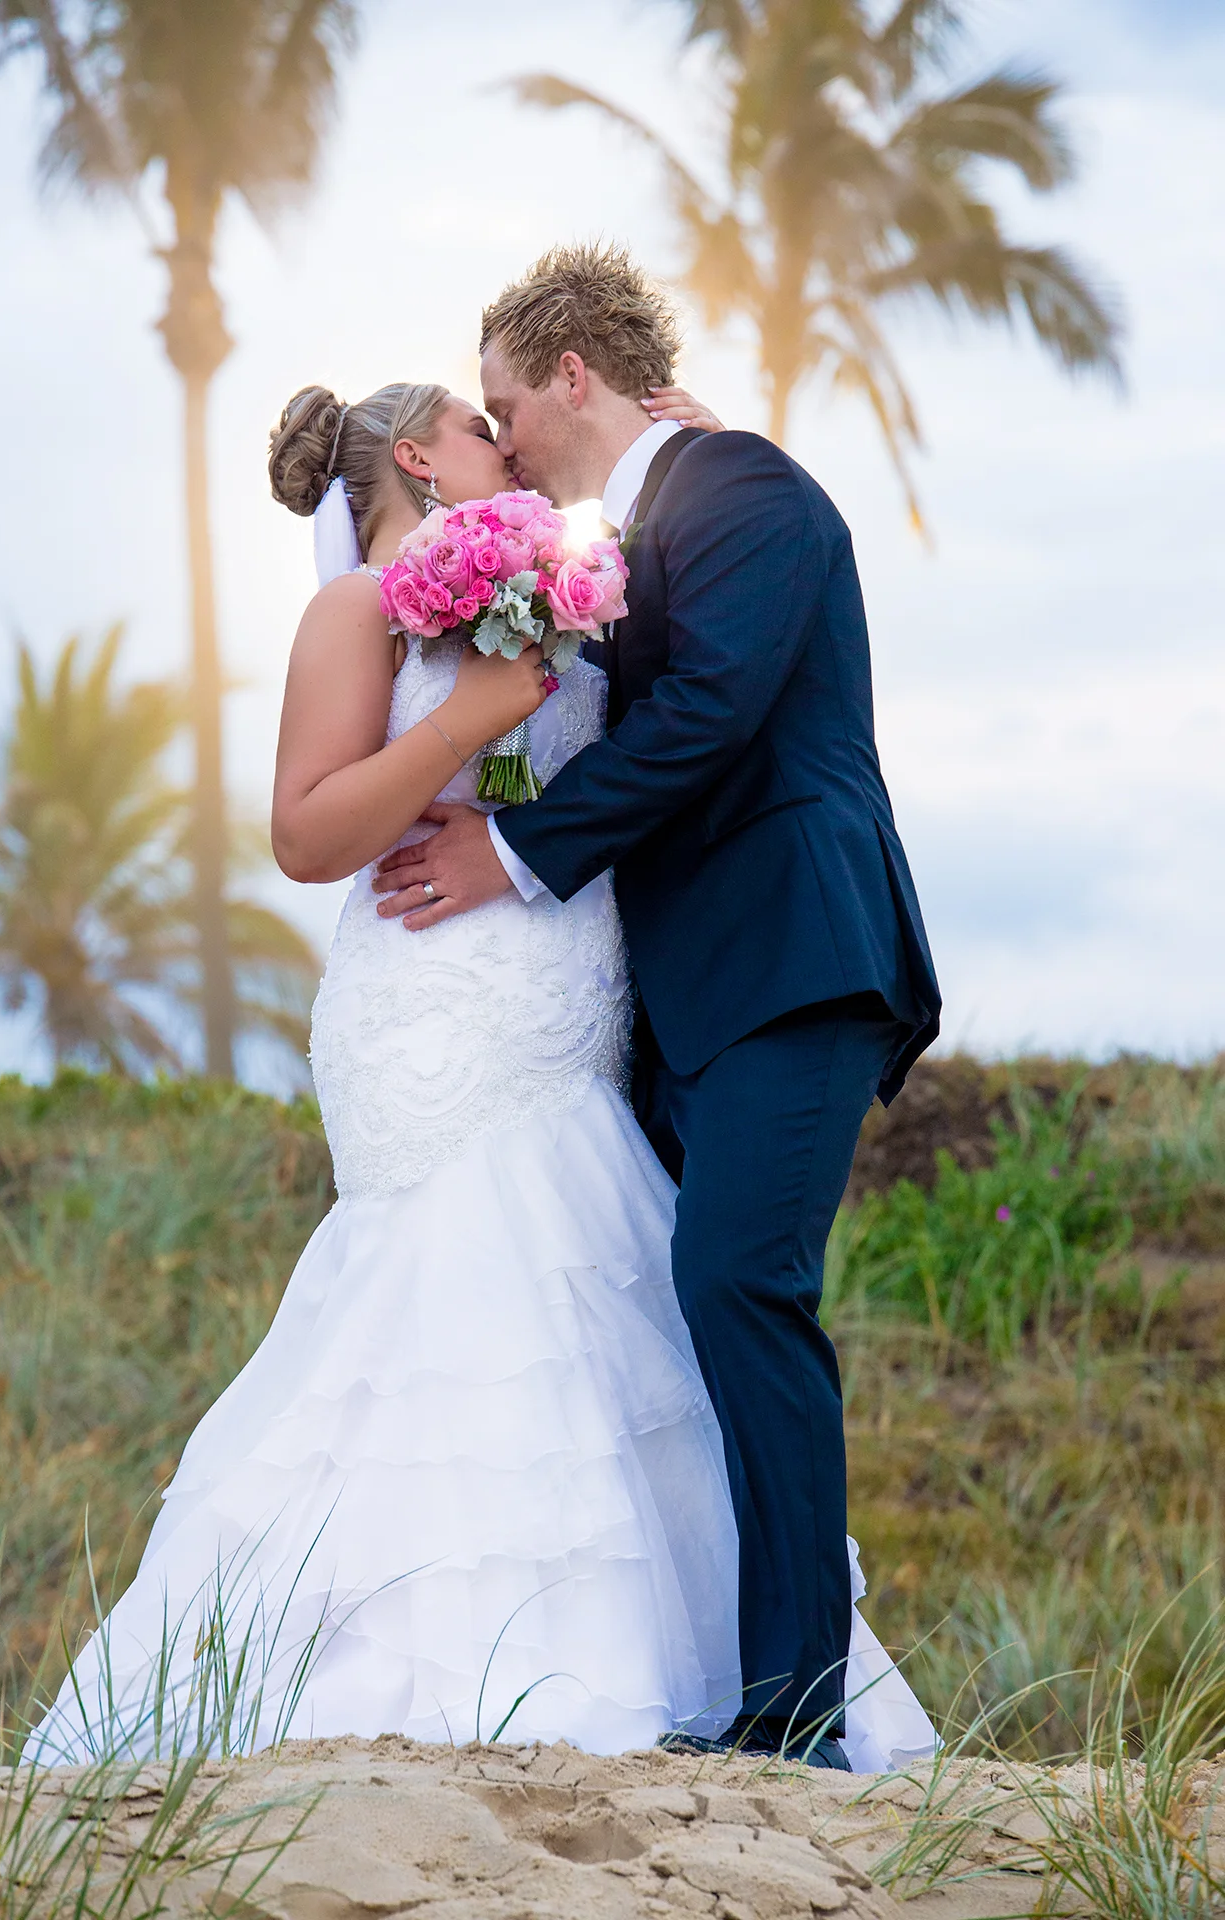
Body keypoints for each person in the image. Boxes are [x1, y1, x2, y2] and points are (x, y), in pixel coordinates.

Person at [24, 364, 935, 1774]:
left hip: (574, 997)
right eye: (476, 424)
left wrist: (662, 455)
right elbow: (308, 834)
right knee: (449, 1280)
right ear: (418, 457)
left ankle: (731, 1684)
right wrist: (470, 719)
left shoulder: (562, 587)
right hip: (439, 989)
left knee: (611, 1297)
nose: (503, 442)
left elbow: (681, 691)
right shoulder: (360, 611)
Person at [373, 242, 943, 1766]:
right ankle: (729, 1680)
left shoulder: (744, 489)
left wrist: (509, 851)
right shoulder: (639, 522)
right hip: (679, 995)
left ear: (572, 376)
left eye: (508, 400)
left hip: (794, 957)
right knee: (676, 1306)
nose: (497, 435)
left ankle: (798, 1714)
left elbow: (708, 714)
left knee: (741, 1288)